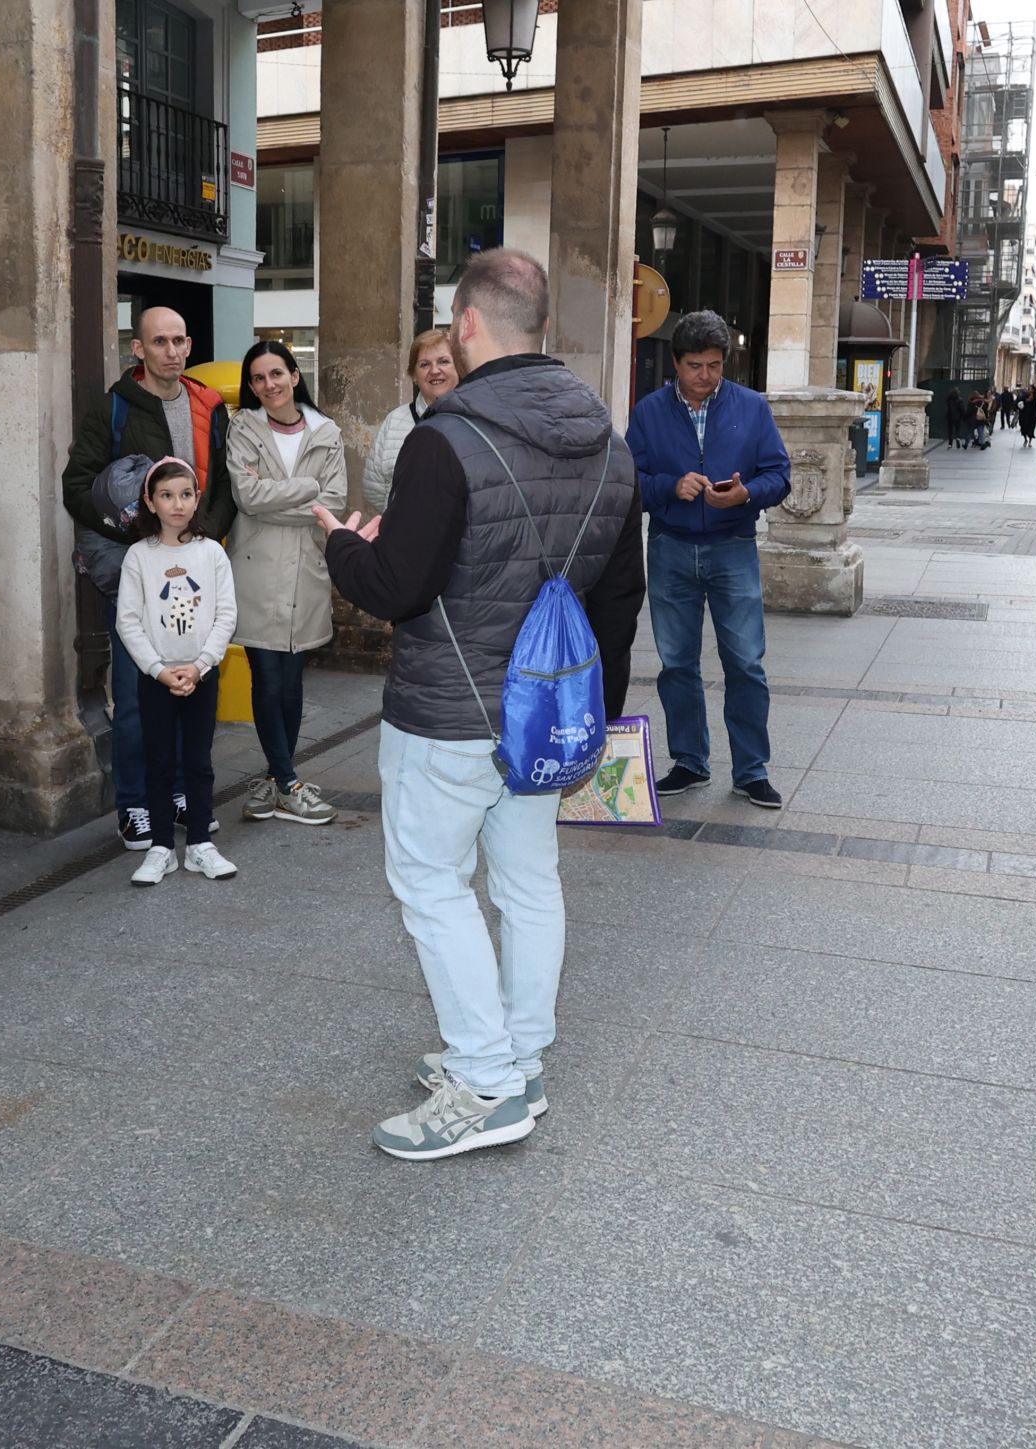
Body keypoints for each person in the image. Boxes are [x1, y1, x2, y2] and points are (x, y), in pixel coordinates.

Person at [318, 248, 643, 1161]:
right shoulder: (611, 445)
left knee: (431, 883)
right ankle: (520, 1056)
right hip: (546, 715)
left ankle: (486, 1080)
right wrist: (596, 721)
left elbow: (396, 585)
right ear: (541, 327)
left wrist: (344, 546)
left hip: (449, 713)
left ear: (465, 324)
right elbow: (621, 600)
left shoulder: (446, 438)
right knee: (530, 881)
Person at [62, 307, 236, 851]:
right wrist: (138, 535)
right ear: (138, 349)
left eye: (180, 340)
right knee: (139, 696)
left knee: (195, 686)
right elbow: (77, 486)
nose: (173, 351)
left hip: (195, 574)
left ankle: (181, 793)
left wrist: (205, 537)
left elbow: (224, 485)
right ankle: (135, 803)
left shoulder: (209, 403)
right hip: (139, 574)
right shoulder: (114, 406)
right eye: (159, 342)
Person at [626, 310, 791, 810]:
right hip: (671, 547)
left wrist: (744, 495)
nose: (706, 376)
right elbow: (629, 481)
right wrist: (669, 487)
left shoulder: (751, 407)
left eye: (715, 365)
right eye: (696, 365)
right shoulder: (649, 412)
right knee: (677, 663)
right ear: (676, 362)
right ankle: (689, 761)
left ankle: (751, 770)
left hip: (733, 547)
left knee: (745, 661)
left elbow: (779, 475)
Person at [227, 338, 346, 826]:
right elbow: (247, 496)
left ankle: (278, 780)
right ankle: (290, 782)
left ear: (295, 376)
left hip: (304, 571)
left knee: (292, 682)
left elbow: (334, 505)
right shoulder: (243, 429)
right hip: (254, 569)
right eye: (258, 378)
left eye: (276, 374)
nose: (268, 385)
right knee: (266, 677)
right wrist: (309, 490)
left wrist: (289, 497)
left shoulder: (327, 432)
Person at [114, 458, 238, 885]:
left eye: (185, 494)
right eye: (166, 495)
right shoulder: (138, 557)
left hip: (201, 674)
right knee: (160, 761)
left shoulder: (212, 553)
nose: (177, 504)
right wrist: (158, 670)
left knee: (199, 760)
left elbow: (225, 615)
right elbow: (128, 620)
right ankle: (162, 848)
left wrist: (201, 666)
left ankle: (200, 843)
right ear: (150, 501)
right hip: (157, 678)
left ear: (197, 498)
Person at [362, 328, 458, 514]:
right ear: (414, 375)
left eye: (444, 361)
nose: (434, 371)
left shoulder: (474, 418)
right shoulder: (395, 420)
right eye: (424, 364)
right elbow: (374, 487)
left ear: (459, 367)